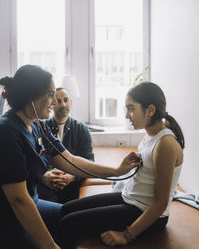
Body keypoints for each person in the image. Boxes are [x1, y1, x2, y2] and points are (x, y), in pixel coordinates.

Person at [0, 64, 139, 249]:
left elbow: (71, 160)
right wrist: (51, 246)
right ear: (31, 96)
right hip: (10, 219)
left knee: (77, 221)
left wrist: (116, 171)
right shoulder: (7, 131)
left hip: (33, 203)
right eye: (50, 95)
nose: (55, 103)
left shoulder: (37, 125)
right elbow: (18, 200)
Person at [58, 81, 185, 249]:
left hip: (146, 214)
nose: (127, 116)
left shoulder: (165, 144)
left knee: (68, 223)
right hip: (131, 200)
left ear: (151, 110)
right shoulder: (149, 135)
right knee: (66, 209)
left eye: (131, 109)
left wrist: (126, 235)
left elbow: (160, 203)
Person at [38, 87, 94, 203]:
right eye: (58, 101)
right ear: (52, 104)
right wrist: (44, 176)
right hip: (45, 187)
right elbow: (35, 160)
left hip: (72, 186)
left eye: (66, 100)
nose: (63, 105)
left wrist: (72, 177)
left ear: (71, 102)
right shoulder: (42, 128)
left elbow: (89, 160)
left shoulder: (82, 129)